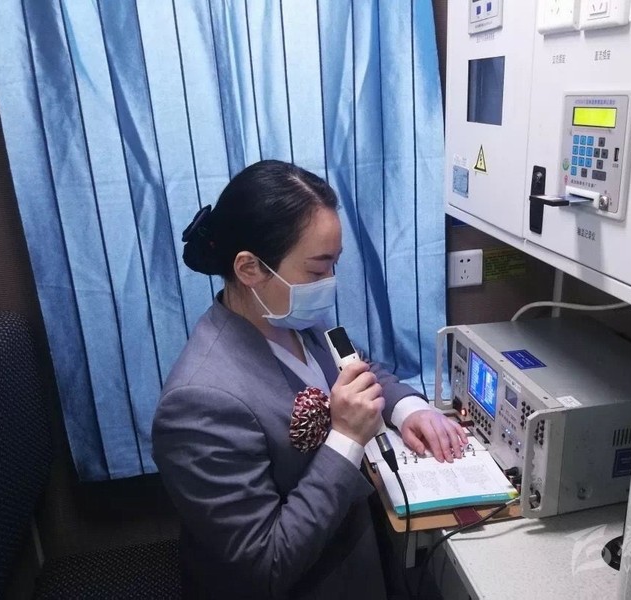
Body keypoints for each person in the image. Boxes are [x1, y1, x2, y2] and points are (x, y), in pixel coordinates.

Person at [152, 160, 467, 599]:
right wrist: (346, 437)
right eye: (317, 271)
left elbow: (358, 368)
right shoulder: (199, 403)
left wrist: (408, 409)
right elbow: (265, 567)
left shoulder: (292, 319)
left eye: (334, 265)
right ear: (249, 268)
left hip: (363, 549)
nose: (329, 283)